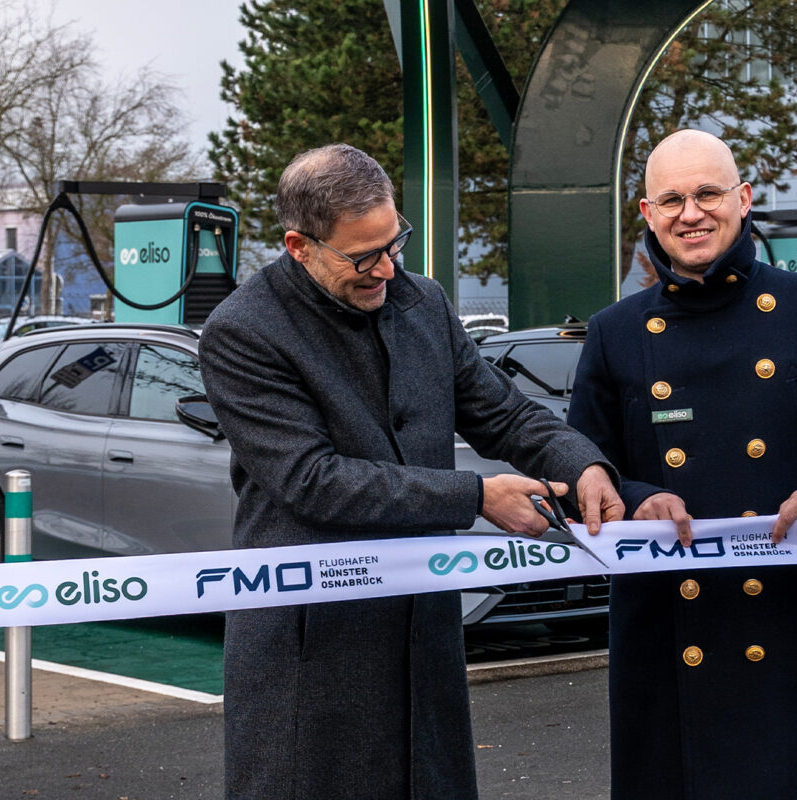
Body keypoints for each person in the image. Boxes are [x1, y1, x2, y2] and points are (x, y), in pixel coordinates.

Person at [199, 143, 623, 800]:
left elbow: (500, 411)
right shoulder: (242, 331)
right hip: (312, 653)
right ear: (298, 245)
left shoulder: (422, 301)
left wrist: (584, 465)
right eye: (363, 256)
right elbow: (313, 481)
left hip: (422, 640)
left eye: (395, 244)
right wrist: (476, 495)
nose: (387, 270)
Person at [567, 129, 797, 800]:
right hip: (670, 631)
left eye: (707, 194)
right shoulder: (615, 332)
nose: (689, 213)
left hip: (796, 622)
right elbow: (584, 466)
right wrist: (636, 498)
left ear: (743, 199)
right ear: (647, 214)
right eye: (670, 199)